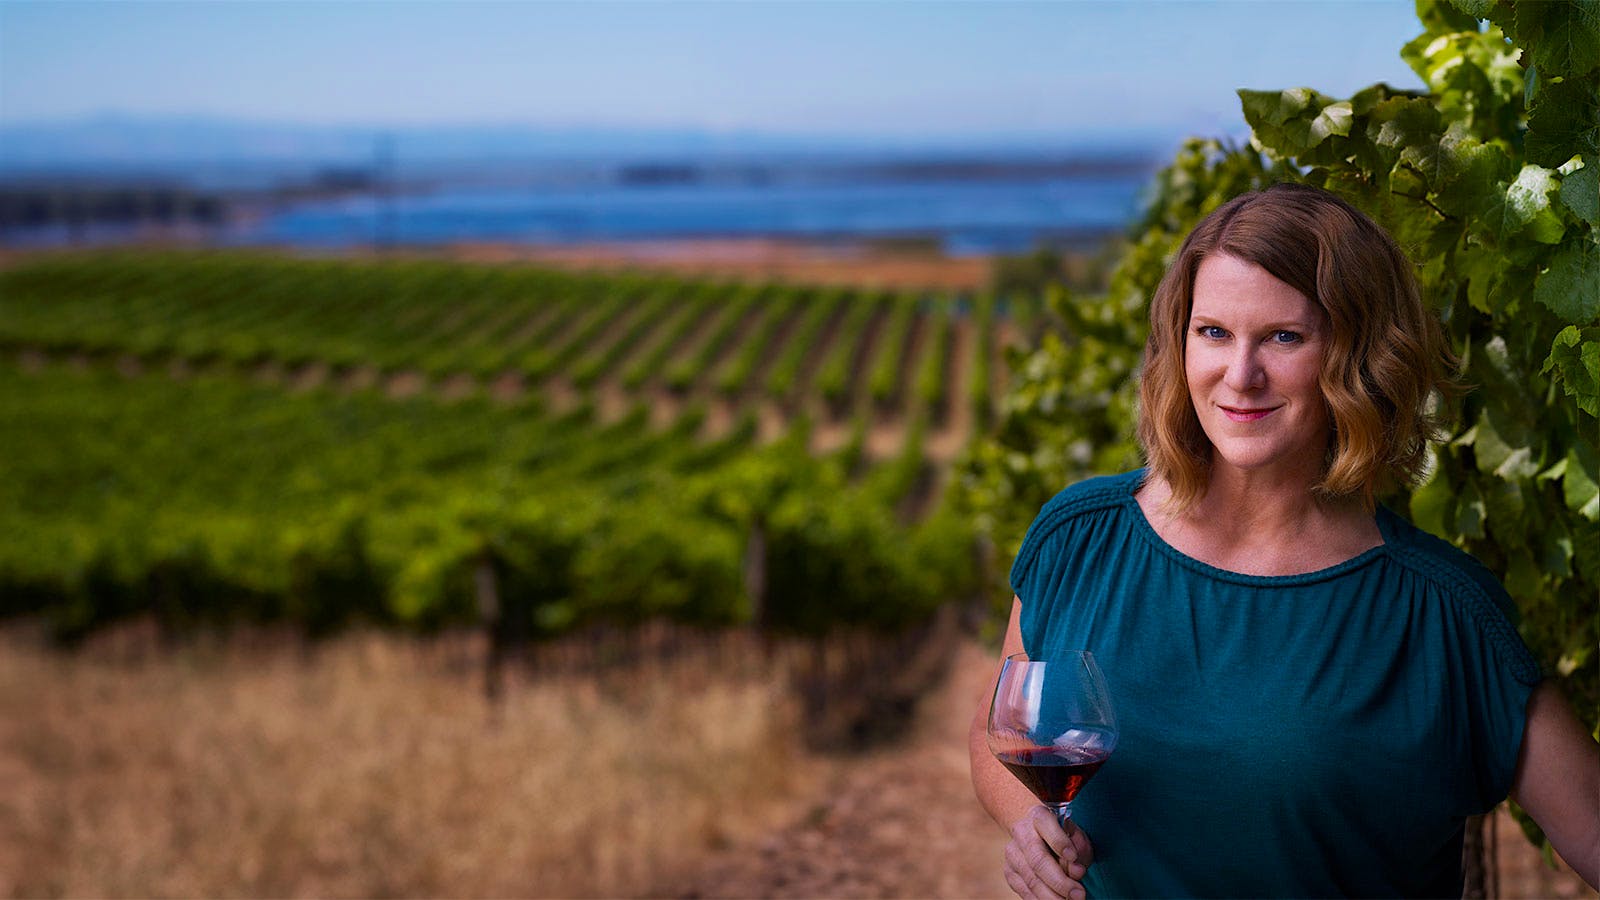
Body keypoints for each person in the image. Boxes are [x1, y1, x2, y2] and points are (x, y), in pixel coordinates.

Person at [968, 182, 1600, 899]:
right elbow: (1001, 734)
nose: (1240, 376)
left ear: (1360, 358)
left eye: (1283, 337)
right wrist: (1029, 825)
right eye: (1213, 333)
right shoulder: (1077, 540)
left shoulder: (1441, 614)